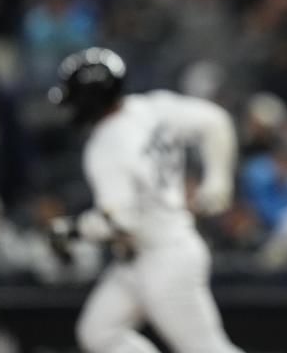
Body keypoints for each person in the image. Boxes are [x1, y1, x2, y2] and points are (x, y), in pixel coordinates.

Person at [48, 47, 244, 353]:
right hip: (141, 258)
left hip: (164, 257)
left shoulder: (105, 144)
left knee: (208, 349)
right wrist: (218, 181)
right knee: (99, 332)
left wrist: (72, 230)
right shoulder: (151, 107)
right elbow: (215, 121)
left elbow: (121, 221)